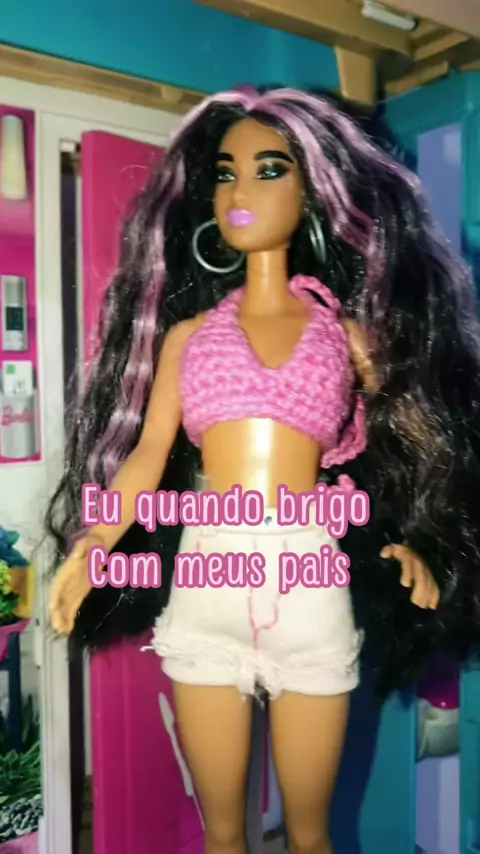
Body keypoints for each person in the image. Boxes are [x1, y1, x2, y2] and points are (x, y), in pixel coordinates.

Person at [47, 87, 480, 854]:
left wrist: (421, 539)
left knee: (309, 835)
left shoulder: (346, 335)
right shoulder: (186, 337)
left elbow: (408, 446)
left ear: (313, 190)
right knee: (223, 835)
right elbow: (147, 455)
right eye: (226, 173)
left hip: (310, 586)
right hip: (207, 584)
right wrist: (96, 541)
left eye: (269, 169)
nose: (240, 191)